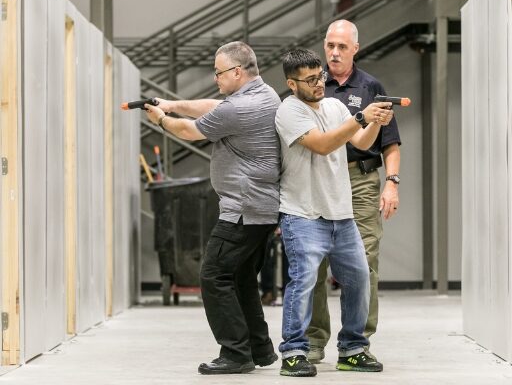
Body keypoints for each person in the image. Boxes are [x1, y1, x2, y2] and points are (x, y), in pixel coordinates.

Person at [144, 41, 281, 375]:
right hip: (260, 208)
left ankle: (235, 353)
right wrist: (173, 104)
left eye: (219, 72)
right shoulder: (265, 95)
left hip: (243, 209)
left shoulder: (239, 109)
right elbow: (214, 106)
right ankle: (260, 349)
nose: (215, 77)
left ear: (236, 72)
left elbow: (191, 131)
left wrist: (162, 119)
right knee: (241, 277)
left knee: (213, 275)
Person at [276, 48, 392, 377]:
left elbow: (361, 141)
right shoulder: (288, 111)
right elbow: (324, 144)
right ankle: (294, 352)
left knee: (358, 279)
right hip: (303, 214)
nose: (318, 83)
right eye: (311, 79)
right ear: (291, 83)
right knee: (304, 283)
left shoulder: (334, 105)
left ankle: (353, 349)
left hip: (341, 214)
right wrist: (361, 117)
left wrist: (374, 122)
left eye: (320, 77)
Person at [306, 19, 402, 364]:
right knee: (313, 261)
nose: (333, 52)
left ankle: (357, 342)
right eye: (329, 45)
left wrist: (391, 183)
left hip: (360, 180)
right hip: (319, 179)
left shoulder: (371, 86)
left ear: (355, 49)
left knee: (365, 261)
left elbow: (389, 144)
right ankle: (314, 339)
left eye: (341, 46)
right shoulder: (313, 84)